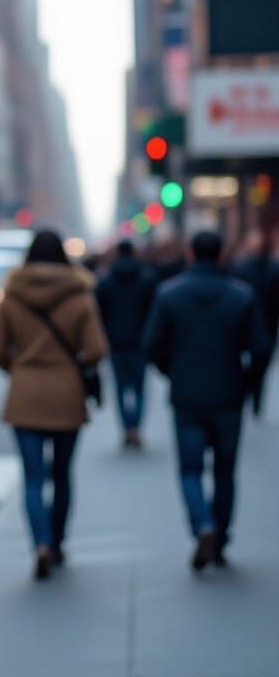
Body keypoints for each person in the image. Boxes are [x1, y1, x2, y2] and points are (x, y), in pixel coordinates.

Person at [0, 229, 108, 580]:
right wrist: (74, 367)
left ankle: (39, 544)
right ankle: (57, 542)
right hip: (67, 394)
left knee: (33, 478)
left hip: (25, 394)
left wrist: (19, 370)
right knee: (62, 475)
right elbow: (98, 349)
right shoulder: (79, 294)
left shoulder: (12, 295)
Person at [143, 231, 271, 571]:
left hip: (187, 396)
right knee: (225, 471)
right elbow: (261, 348)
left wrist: (172, 372)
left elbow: (152, 344)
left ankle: (203, 525)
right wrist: (247, 382)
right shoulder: (241, 295)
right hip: (229, 393)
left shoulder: (169, 294)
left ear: (189, 253)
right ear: (222, 255)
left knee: (190, 469)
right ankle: (221, 536)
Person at [96, 240, 156, 448]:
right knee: (139, 388)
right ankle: (135, 427)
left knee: (121, 388)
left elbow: (100, 313)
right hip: (140, 342)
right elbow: (153, 312)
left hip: (116, 343)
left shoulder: (105, 281)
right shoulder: (146, 279)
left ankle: (126, 428)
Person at [230, 229, 279, 416]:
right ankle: (255, 393)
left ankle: (250, 391)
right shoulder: (270, 268)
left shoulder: (240, 267)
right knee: (261, 360)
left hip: (253, 321)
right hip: (266, 322)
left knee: (254, 360)